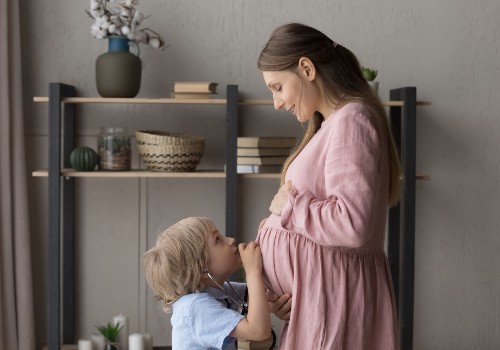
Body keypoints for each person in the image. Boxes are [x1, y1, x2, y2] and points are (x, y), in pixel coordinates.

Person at [256, 23, 402, 349]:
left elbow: (352, 223)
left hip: (333, 303)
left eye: (278, 87)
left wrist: (290, 208)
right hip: (317, 303)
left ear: (306, 68)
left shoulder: (352, 120)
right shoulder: (331, 125)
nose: (277, 102)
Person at [143, 217, 271, 350]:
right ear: (201, 267)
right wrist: (252, 272)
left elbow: (263, 294)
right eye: (218, 240)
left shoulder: (218, 290)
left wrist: (264, 236)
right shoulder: (194, 307)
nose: (231, 240)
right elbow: (258, 331)